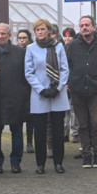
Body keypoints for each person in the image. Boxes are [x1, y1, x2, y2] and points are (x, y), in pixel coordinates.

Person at [66, 15, 97, 168]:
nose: (84, 28)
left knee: (96, 123)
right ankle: (86, 155)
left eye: (87, 25)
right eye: (81, 25)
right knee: (82, 125)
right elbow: (66, 65)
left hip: (96, 89)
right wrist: (68, 82)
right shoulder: (73, 45)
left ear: (94, 27)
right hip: (77, 89)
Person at [24, 18, 69, 174]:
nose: (40, 32)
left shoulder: (59, 46)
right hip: (39, 94)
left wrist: (58, 88)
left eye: (43, 29)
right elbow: (29, 72)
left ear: (49, 31)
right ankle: (40, 164)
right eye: (37, 30)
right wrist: (41, 90)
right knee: (40, 131)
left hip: (57, 93)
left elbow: (65, 69)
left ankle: (58, 163)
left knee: (58, 131)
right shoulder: (30, 48)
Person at [0, 24, 30, 174]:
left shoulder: (20, 52)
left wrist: (24, 95)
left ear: (9, 35)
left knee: (17, 132)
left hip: (16, 99)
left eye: (3, 34)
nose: (0, 36)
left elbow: (27, 75)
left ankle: (15, 162)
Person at [17, 28, 35, 153]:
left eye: (24, 38)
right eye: (20, 38)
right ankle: (19, 142)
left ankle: (29, 142)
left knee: (30, 117)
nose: (22, 40)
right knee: (18, 117)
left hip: (30, 88)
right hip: (18, 88)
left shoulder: (33, 51)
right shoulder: (15, 52)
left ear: (29, 40)